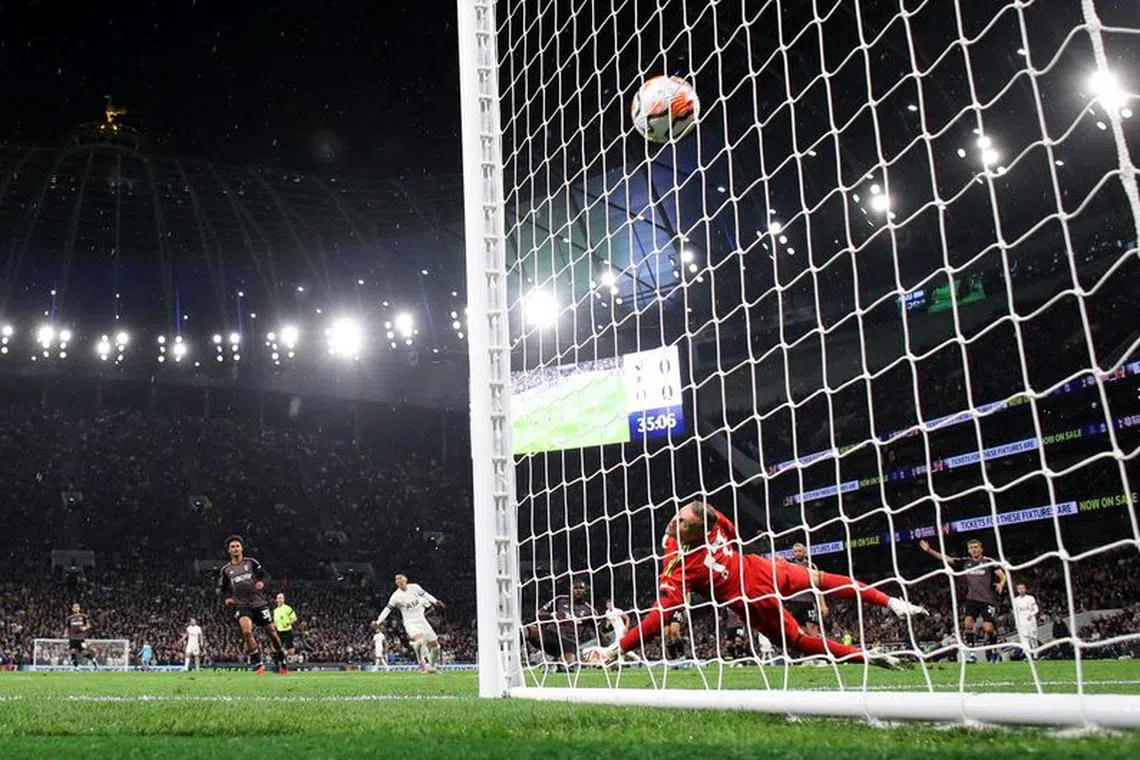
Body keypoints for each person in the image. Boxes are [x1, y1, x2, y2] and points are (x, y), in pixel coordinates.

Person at [589, 501, 926, 668]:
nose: (675, 521)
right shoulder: (712, 524)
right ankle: (868, 654)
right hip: (761, 575)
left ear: (699, 531)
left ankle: (892, 603)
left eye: (683, 522)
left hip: (755, 594)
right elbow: (729, 528)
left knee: (809, 609)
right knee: (811, 605)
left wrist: (614, 649)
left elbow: (659, 616)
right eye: (678, 515)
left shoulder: (678, 563)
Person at [919, 538, 1006, 659]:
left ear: (981, 549)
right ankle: (971, 653)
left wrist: (1001, 583)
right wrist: (929, 550)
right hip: (971, 599)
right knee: (968, 624)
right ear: (968, 550)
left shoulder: (988, 561)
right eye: (971, 548)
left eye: (976, 547)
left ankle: (992, 648)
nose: (974, 550)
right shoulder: (966, 562)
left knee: (988, 628)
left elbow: (1002, 575)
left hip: (987, 600)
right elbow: (947, 559)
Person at [217, 534, 288, 675]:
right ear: (229, 550)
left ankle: (281, 657)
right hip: (242, 605)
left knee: (271, 632)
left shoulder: (251, 562)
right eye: (232, 547)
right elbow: (223, 589)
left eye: (237, 546)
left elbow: (264, 575)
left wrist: (261, 582)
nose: (235, 548)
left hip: (258, 603)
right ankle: (258, 662)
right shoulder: (226, 570)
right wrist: (228, 598)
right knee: (247, 632)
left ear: (241, 548)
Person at [373, 573, 445, 673]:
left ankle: (432, 667)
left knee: (436, 646)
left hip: (422, 621)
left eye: (400, 578)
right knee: (419, 641)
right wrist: (378, 621)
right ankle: (421, 663)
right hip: (410, 622)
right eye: (396, 579)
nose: (399, 580)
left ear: (405, 579)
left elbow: (426, 595)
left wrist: (435, 601)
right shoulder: (396, 596)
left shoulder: (415, 587)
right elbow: (387, 609)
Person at [524, 579, 598, 668]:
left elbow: (599, 632)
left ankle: (554, 663)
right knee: (529, 630)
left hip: (569, 642)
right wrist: (553, 615)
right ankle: (513, 654)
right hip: (551, 636)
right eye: (575, 588)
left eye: (581, 588)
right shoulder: (560, 600)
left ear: (586, 591)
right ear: (570, 589)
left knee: (568, 666)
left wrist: (605, 650)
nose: (578, 590)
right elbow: (539, 614)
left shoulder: (590, 611)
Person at [784, 542, 828, 638]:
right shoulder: (789, 565)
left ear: (804, 552)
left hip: (809, 601)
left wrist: (823, 604)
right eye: (796, 551)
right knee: (800, 631)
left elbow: (818, 586)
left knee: (812, 628)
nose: (798, 553)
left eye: (800, 551)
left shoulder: (811, 566)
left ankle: (816, 645)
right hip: (794, 602)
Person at [1012, 582, 1040, 658]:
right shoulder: (1015, 600)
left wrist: (1031, 614)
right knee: (1025, 639)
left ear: (1025, 589)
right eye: (1019, 589)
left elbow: (1036, 609)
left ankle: (1035, 655)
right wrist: (1017, 624)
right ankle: (1028, 656)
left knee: (1033, 638)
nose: (1021, 590)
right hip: (1022, 623)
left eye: (1022, 588)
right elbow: (1016, 613)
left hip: (1031, 622)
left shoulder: (1030, 598)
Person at [65, 602, 96, 669]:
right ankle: (76, 667)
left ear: (79, 608)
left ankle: (93, 659)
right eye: (74, 607)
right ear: (72, 609)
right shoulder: (69, 618)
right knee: (72, 651)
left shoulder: (83, 616)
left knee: (83, 653)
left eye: (77, 607)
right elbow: (67, 628)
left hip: (80, 637)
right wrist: (66, 634)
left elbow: (89, 625)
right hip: (72, 638)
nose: (76, 608)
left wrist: (85, 628)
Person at [273, 593, 298, 661]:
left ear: (283, 600)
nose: (280, 600)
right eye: (279, 598)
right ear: (276, 600)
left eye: (281, 598)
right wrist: (274, 625)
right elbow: (275, 621)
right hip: (278, 631)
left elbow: (294, 618)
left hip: (287, 630)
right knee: (276, 647)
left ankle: (293, 661)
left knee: (290, 647)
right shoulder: (275, 611)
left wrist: (288, 623)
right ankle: (279, 661)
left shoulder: (288, 608)